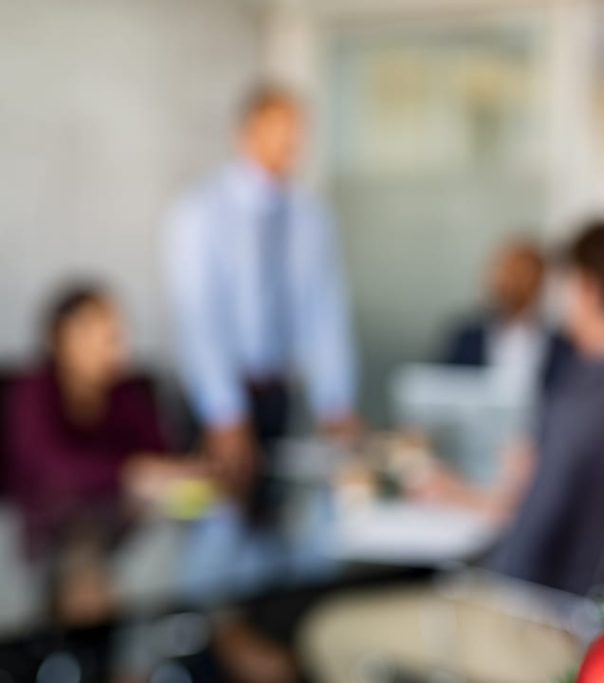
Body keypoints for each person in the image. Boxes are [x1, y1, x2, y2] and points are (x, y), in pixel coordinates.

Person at [300, 221, 604, 683]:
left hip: (543, 631)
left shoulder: (580, 407)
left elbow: (517, 564)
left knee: (331, 631)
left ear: (586, 289)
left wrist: (506, 505)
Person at [164, 83, 358, 499]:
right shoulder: (200, 212)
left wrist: (335, 399)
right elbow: (199, 317)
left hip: (277, 395)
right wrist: (223, 412)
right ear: (248, 131)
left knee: (277, 514)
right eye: (281, 128)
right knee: (217, 522)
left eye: (299, 130)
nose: (293, 141)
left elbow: (322, 310)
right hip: (214, 400)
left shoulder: (310, 215)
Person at [3, 284, 197, 624]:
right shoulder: (34, 389)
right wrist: (130, 472)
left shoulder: (125, 391)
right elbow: (48, 466)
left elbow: (160, 453)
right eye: (99, 334)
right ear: (59, 337)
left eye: (116, 335)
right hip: (43, 518)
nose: (113, 347)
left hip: (107, 515)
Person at [443, 239, 574, 396]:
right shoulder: (467, 336)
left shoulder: (562, 343)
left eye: (522, 275)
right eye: (507, 273)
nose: (512, 283)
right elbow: (443, 388)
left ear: (539, 281)